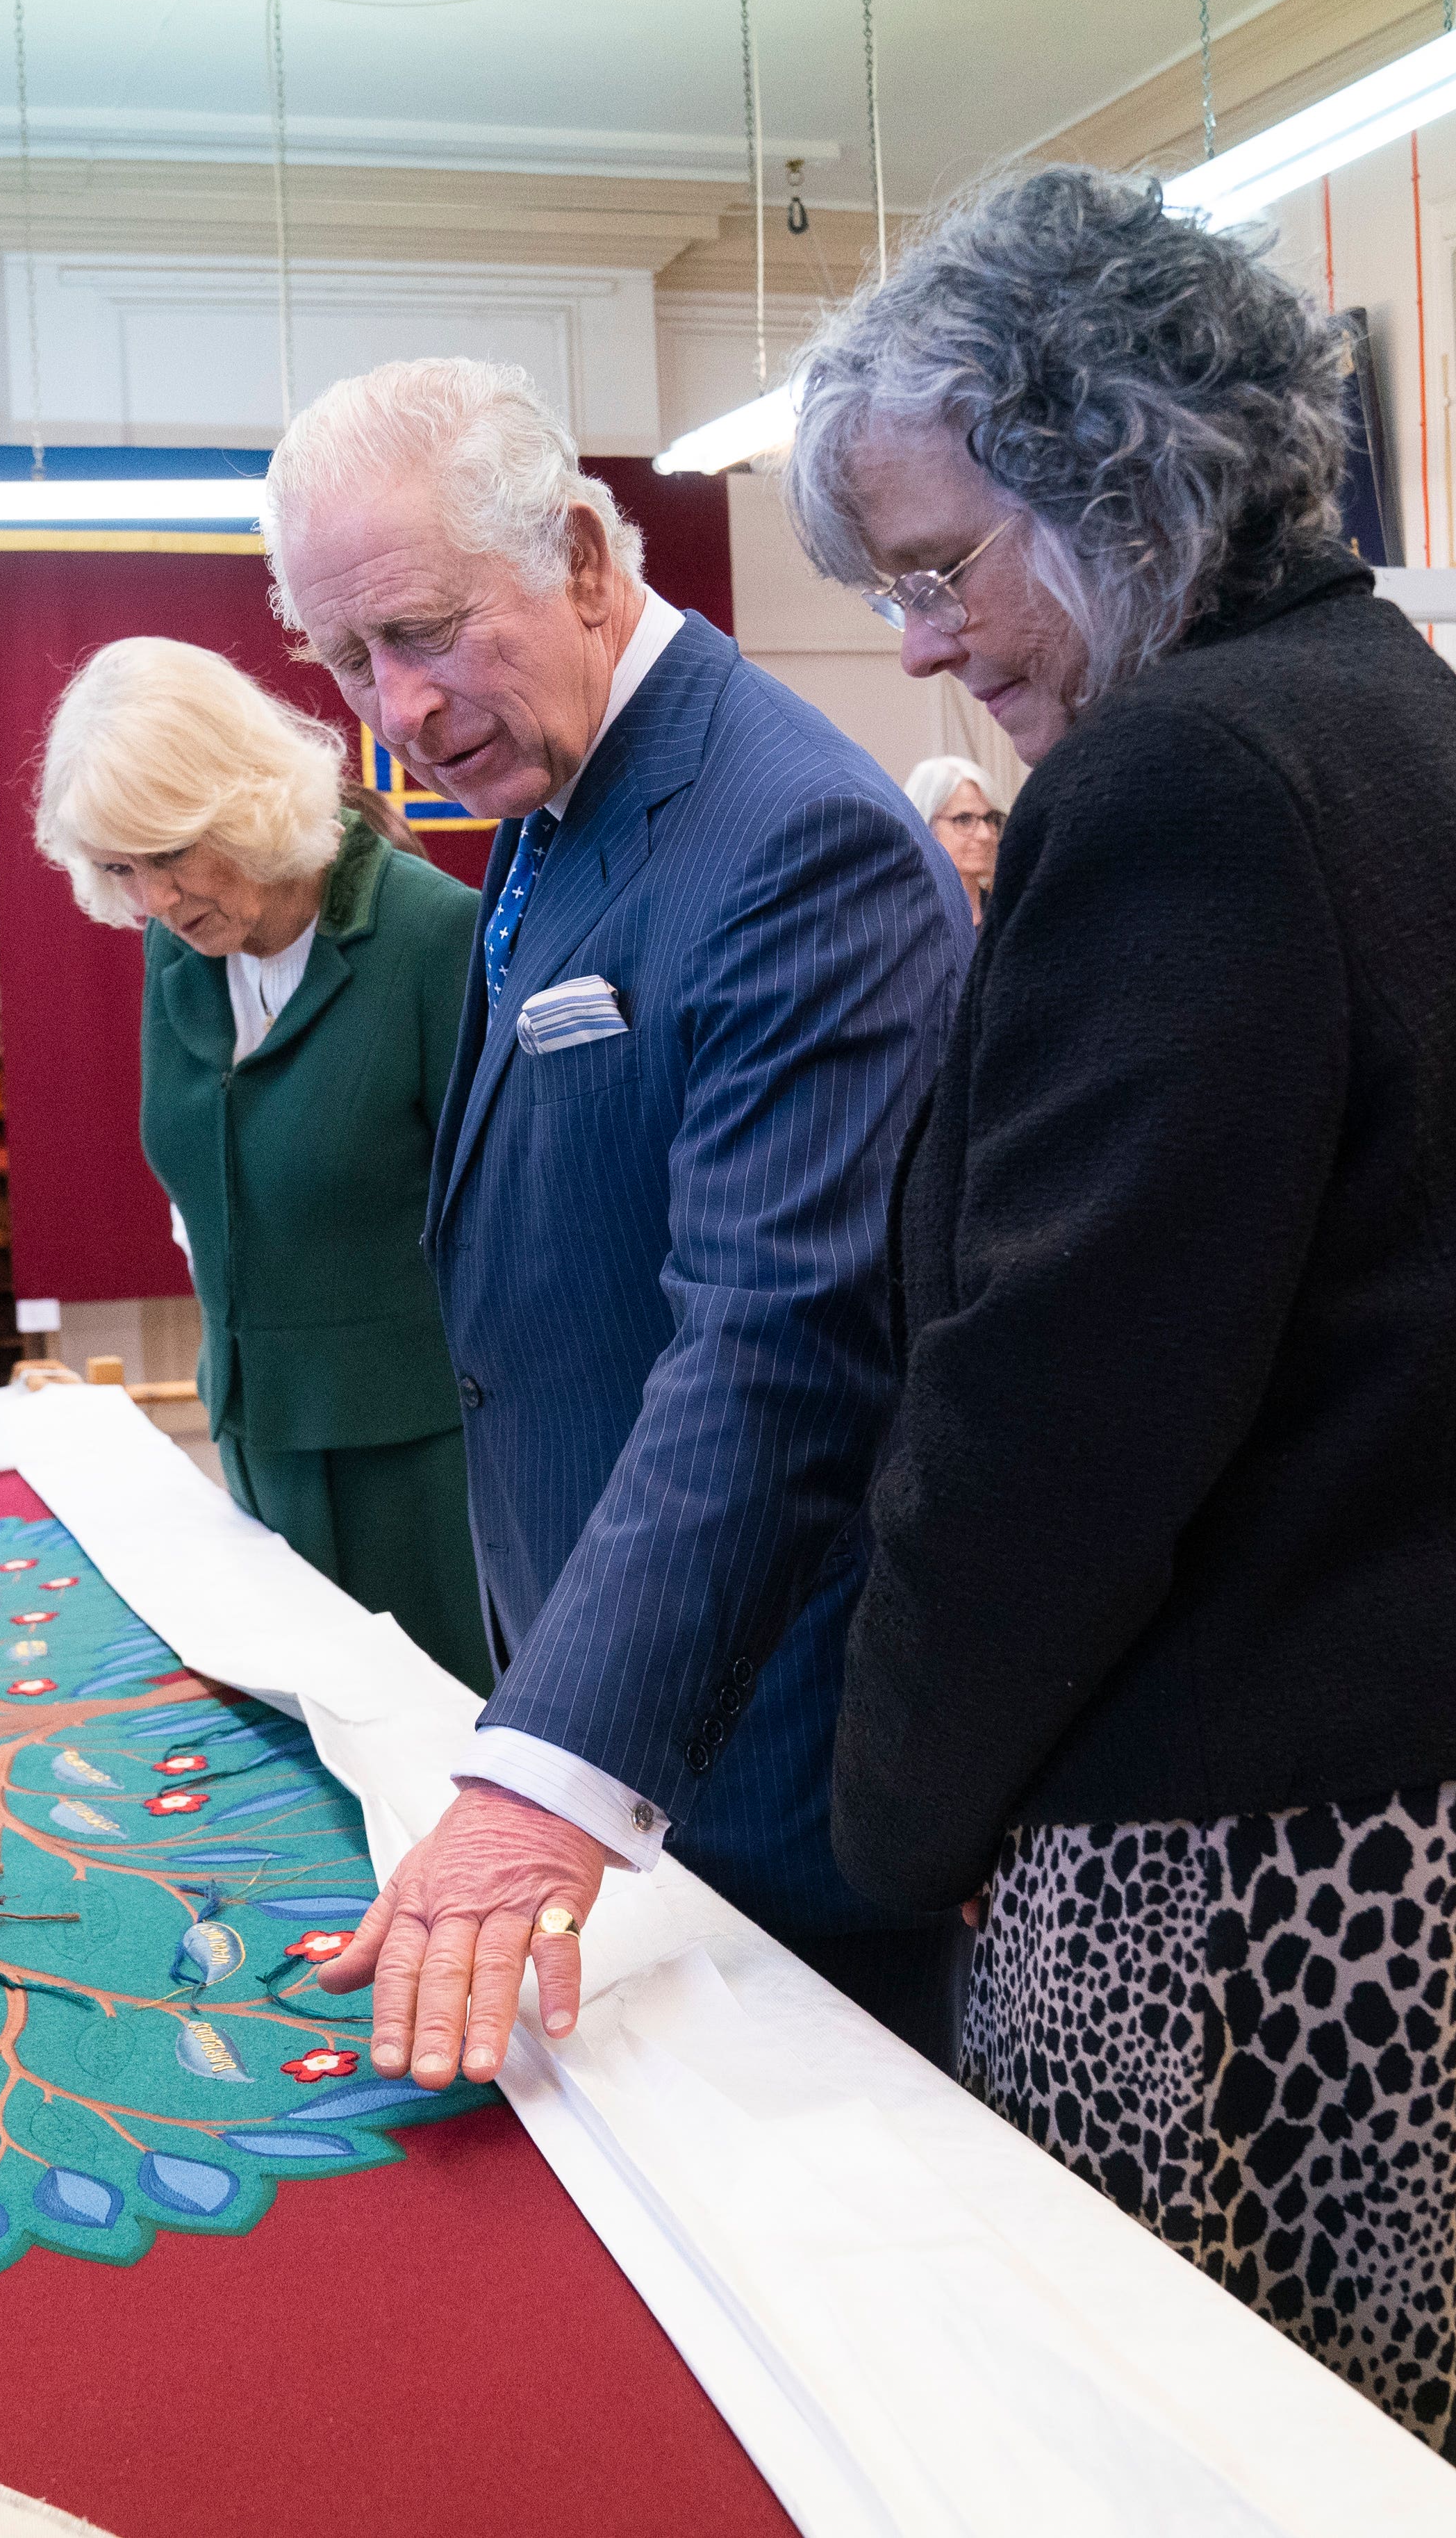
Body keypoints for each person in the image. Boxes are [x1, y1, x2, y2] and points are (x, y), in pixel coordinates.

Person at [792, 167, 1456, 2535]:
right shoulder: (1381, 712)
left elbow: (1062, 1403)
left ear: (1107, 474)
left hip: (1277, 1886)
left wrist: (893, 1811)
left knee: (1212, 2463)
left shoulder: (1184, 773)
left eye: (927, 564)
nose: (915, 645)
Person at [280, 357, 966, 2080]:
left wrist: (541, 1785)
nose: (399, 713)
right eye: (349, 660)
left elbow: (775, 1344)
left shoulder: (789, 832)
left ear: (585, 559)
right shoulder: (555, 780)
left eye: (427, 632)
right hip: (636, 1721)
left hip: (768, 1752)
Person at [35, 635, 496, 1693]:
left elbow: (517, 1236)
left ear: (243, 804)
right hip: (246, 1438)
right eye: (119, 869)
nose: (150, 899)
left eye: (169, 853)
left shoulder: (434, 940)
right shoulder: (180, 947)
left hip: (420, 1458)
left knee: (422, 1755)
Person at [900, 752, 1002, 926]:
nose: (985, 834)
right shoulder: (905, 921)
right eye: (964, 819)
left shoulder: (1008, 914)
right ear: (925, 826)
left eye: (990, 818)